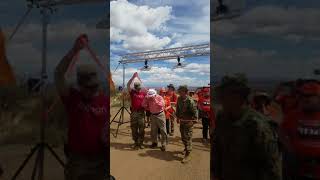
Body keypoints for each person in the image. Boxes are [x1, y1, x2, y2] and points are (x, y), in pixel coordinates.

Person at [55, 34, 109, 180]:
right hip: (78, 161)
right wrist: (74, 50)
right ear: (79, 86)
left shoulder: (105, 100)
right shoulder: (72, 98)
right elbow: (58, 74)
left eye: (94, 87)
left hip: (102, 159)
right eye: (88, 87)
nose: (92, 90)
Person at [212, 75, 282, 180]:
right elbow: (217, 150)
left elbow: (271, 167)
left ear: (239, 97)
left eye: (224, 96)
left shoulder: (258, 125)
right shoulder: (222, 118)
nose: (221, 100)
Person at [280, 81, 320, 179]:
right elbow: (281, 132)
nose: (304, 99)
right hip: (298, 171)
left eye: (309, 96)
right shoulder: (293, 115)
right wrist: (290, 150)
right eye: (302, 96)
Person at [176, 85, 198, 164]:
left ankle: (188, 154)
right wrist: (177, 117)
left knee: (188, 137)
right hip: (182, 121)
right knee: (183, 136)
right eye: (179, 91)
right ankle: (186, 148)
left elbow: (195, 111)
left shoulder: (190, 101)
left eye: (181, 91)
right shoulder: (179, 99)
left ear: (185, 92)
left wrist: (195, 119)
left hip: (189, 122)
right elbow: (177, 108)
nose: (180, 93)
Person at [127, 81, 146, 150]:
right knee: (134, 128)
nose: (138, 89)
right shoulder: (132, 92)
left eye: (139, 88)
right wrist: (132, 78)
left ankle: (141, 143)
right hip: (134, 113)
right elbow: (128, 85)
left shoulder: (144, 93)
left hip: (141, 113)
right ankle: (135, 143)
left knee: (142, 128)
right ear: (135, 88)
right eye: (137, 88)